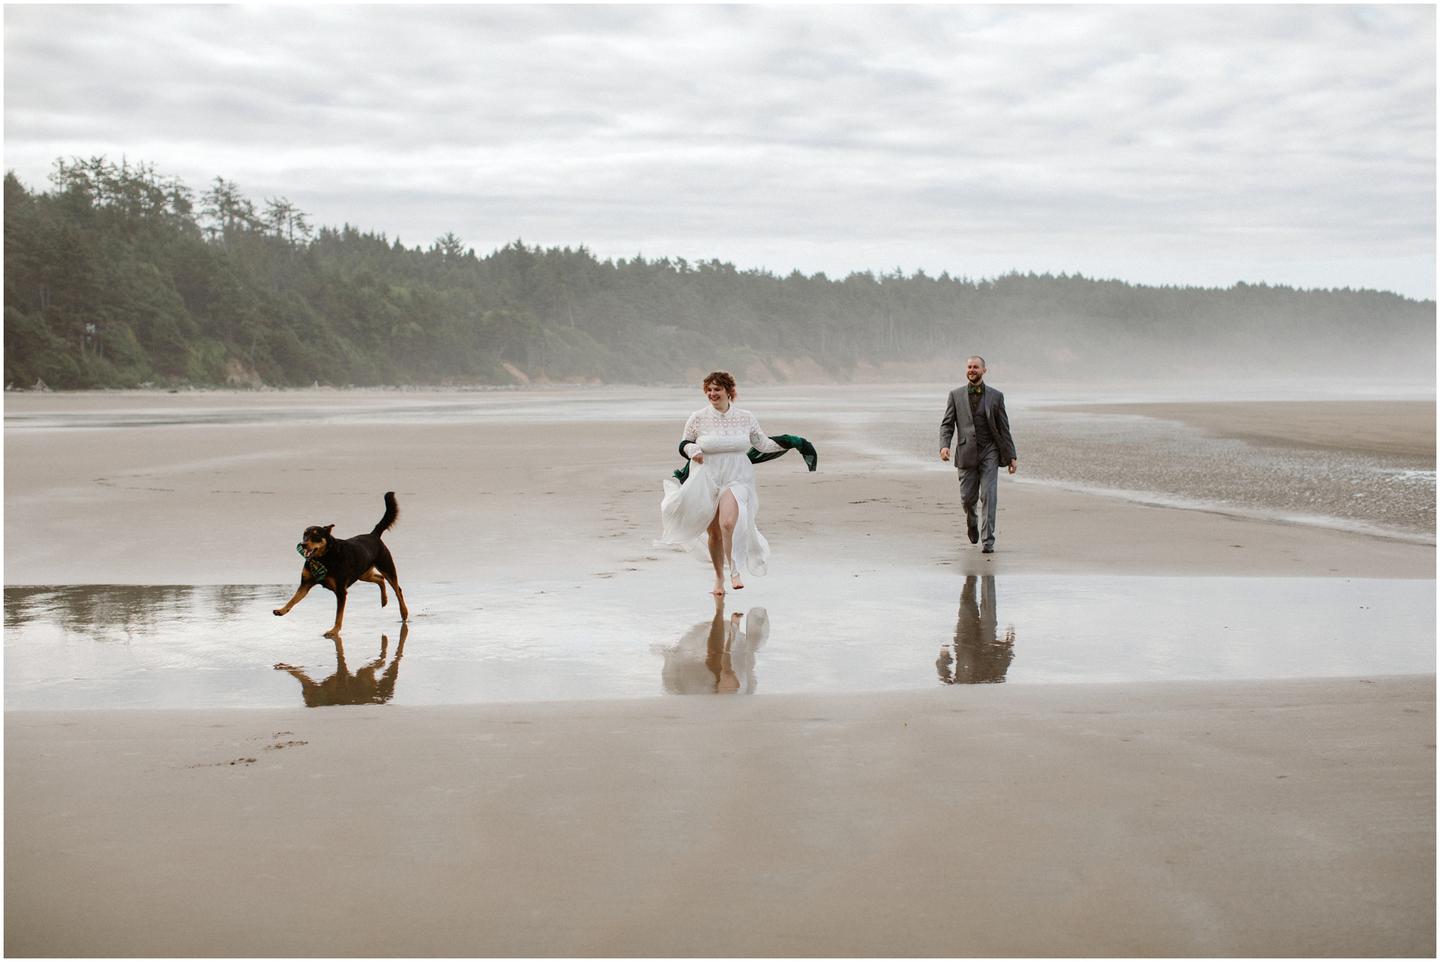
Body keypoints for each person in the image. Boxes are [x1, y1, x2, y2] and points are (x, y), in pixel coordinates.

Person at [659, 371, 801, 595]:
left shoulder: (745, 417)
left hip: (737, 478)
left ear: (729, 391)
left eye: (717, 389)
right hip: (706, 478)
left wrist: (794, 443)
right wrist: (693, 450)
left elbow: (762, 444)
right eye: (709, 390)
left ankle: (735, 571)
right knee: (714, 532)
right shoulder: (698, 417)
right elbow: (684, 443)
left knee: (728, 524)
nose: (712, 393)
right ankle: (718, 578)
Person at [939, 355, 1017, 554]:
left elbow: (1004, 428)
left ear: (984, 370)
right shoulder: (955, 395)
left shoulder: (996, 396)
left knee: (989, 495)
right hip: (966, 452)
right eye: (969, 367)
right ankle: (972, 521)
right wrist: (944, 446)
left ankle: (988, 541)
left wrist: (1011, 456)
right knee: (967, 499)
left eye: (976, 367)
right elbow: (947, 424)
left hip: (989, 452)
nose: (972, 370)